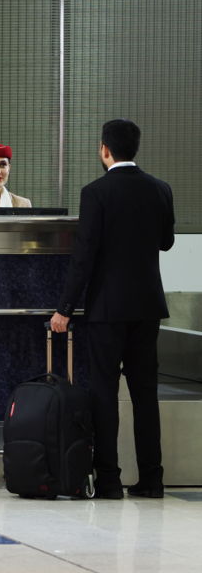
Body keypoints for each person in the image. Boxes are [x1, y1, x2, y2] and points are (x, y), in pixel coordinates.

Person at [50, 119, 175, 499]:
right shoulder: (161, 189)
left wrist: (64, 308)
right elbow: (166, 242)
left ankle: (109, 480)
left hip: (107, 308)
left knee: (104, 392)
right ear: (135, 148)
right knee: (145, 394)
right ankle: (152, 479)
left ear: (104, 150)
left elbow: (84, 256)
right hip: (148, 307)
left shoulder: (96, 192)